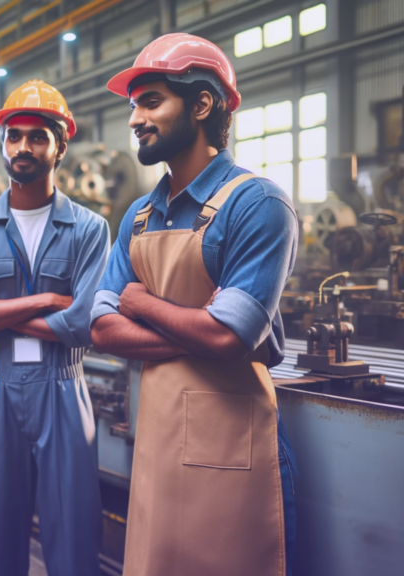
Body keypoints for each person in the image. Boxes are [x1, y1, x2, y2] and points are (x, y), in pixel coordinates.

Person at [90, 33, 299, 576]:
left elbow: (230, 337)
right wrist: (200, 325)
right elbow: (102, 330)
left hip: (230, 445)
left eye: (151, 101)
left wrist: (140, 300)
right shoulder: (138, 215)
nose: (135, 118)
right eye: (133, 105)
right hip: (155, 441)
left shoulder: (256, 203)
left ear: (203, 104)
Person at [0, 79, 109, 576]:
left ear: (60, 145)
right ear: (2, 143)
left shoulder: (89, 228)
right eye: (14, 135)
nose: (24, 146)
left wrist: (0, 314)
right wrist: (46, 302)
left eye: (37, 136)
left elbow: (83, 323)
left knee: (74, 534)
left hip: (63, 388)